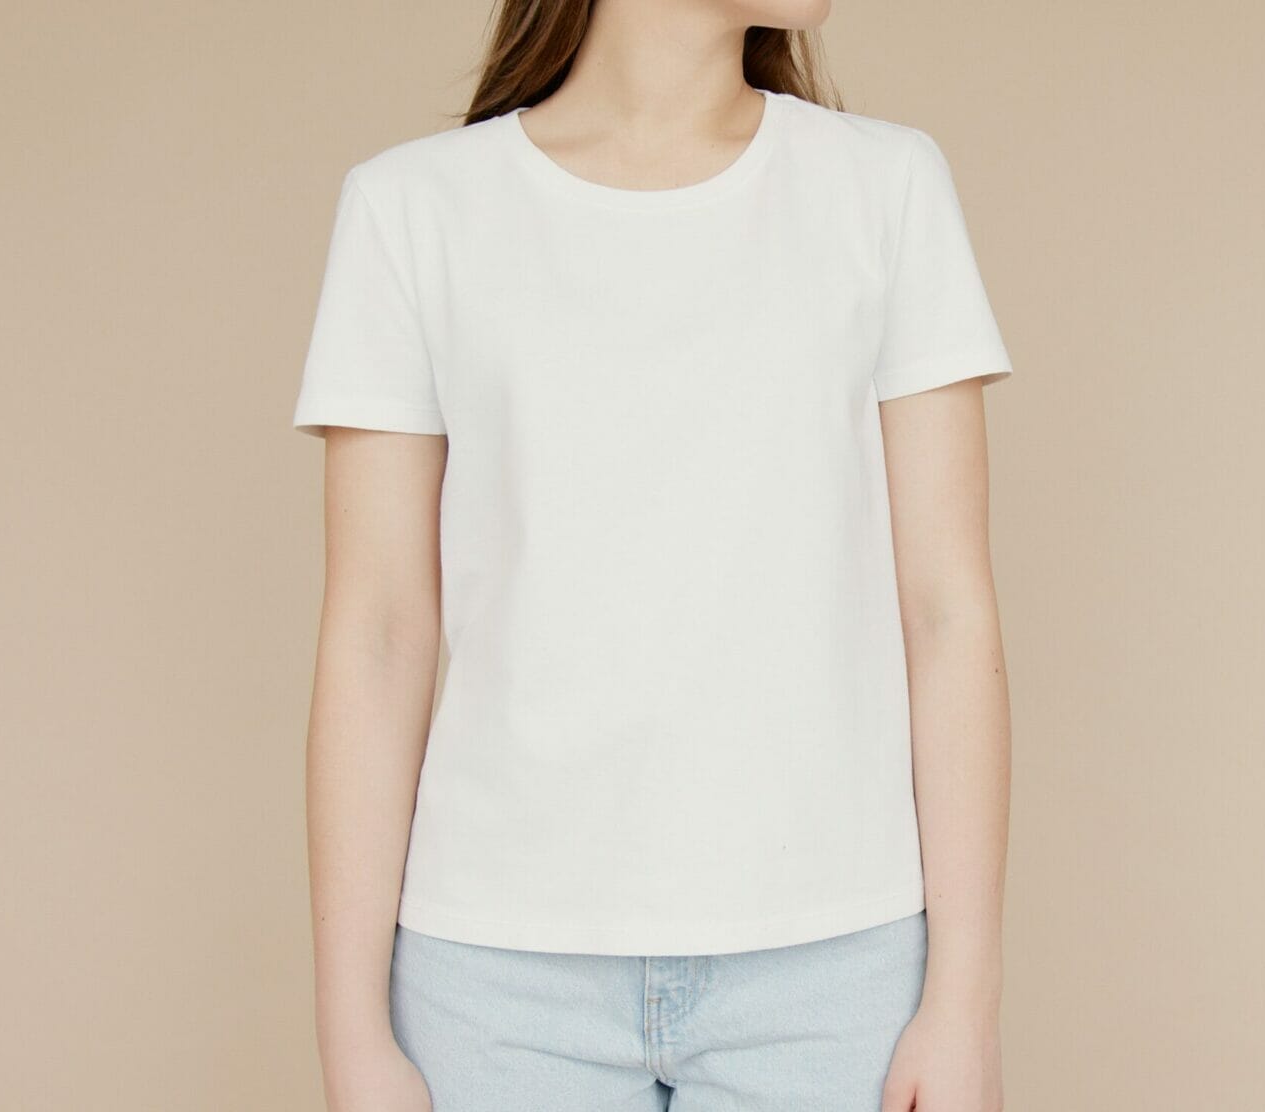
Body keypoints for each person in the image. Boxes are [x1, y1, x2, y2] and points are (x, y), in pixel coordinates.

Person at [290, 1, 1014, 1110]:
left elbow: (948, 610)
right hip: (493, 984)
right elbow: (381, 633)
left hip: (834, 971)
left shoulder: (885, 187)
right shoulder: (414, 209)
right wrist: (352, 1033)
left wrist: (962, 1000)